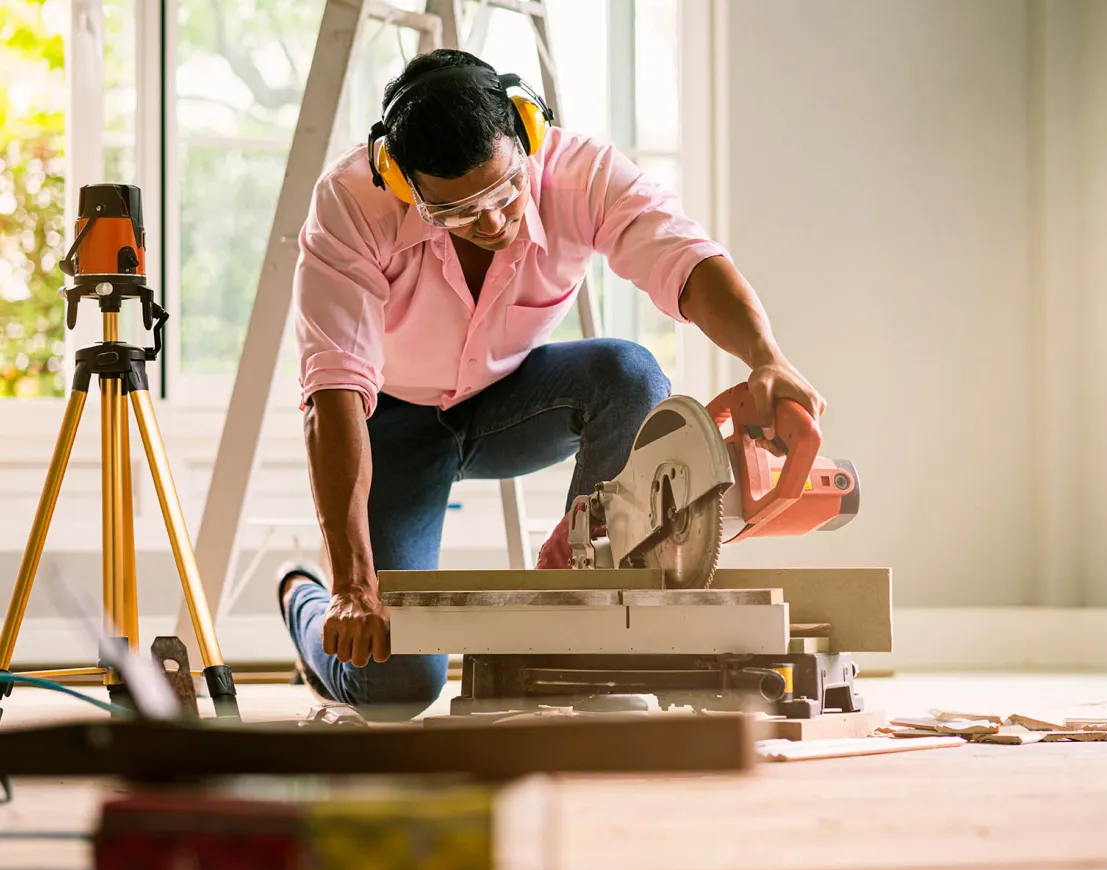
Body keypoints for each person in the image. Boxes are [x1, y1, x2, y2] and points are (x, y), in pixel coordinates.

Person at [275, 49, 824, 718]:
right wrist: (351, 585)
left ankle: (584, 620)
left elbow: (686, 258)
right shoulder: (352, 202)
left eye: (505, 192)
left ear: (528, 133)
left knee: (629, 373)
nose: (492, 223)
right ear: (401, 180)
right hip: (391, 421)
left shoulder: (579, 173)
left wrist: (766, 358)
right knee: (398, 684)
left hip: (513, 400)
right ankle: (301, 602)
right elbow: (333, 391)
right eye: (454, 212)